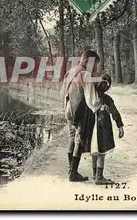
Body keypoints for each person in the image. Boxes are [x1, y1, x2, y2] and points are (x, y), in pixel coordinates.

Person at [60, 49, 103, 182]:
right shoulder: (85, 75)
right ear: (86, 61)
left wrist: (65, 106)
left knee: (72, 139)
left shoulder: (71, 71)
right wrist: (99, 107)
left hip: (68, 109)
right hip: (79, 110)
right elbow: (92, 98)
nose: (95, 67)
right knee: (79, 140)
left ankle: (71, 170)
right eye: (94, 63)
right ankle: (73, 173)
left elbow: (62, 91)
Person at [88, 74, 125, 185]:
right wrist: (120, 125)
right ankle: (99, 177)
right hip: (102, 127)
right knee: (101, 152)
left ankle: (95, 174)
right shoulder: (106, 99)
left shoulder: (90, 98)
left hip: (91, 127)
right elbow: (114, 111)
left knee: (94, 150)